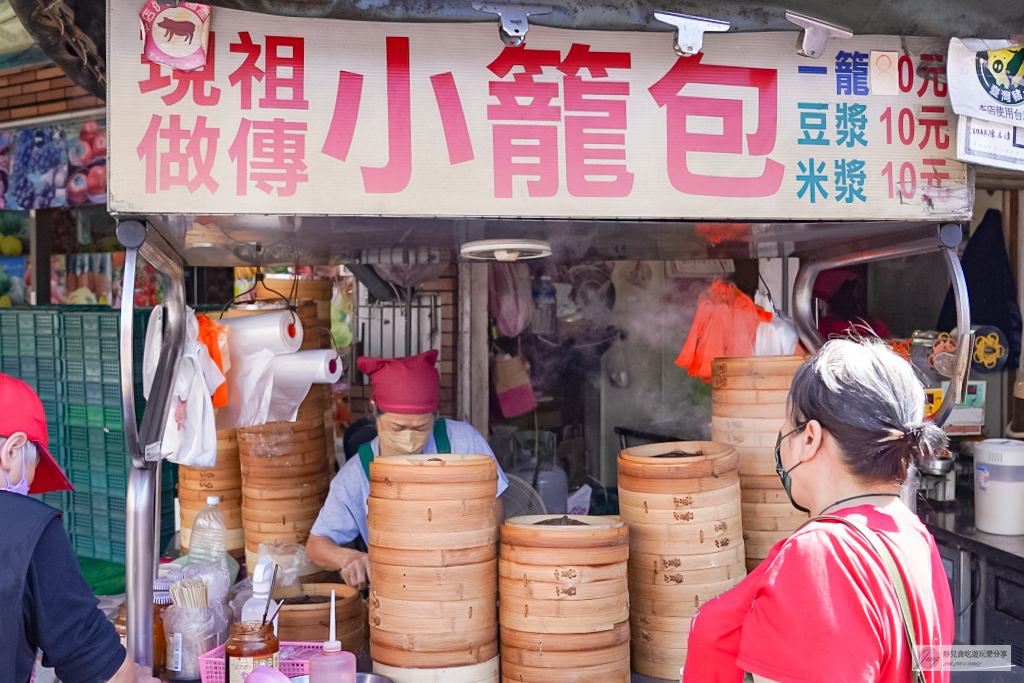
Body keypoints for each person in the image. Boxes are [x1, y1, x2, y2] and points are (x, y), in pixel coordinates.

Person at [684, 339, 954, 683]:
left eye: (785, 429)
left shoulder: (821, 557)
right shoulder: (913, 535)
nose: (781, 442)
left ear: (809, 438)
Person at [0, 373, 158, 683]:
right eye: (31, 473)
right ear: (12, 450)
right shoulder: (28, 529)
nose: (28, 488)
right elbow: (101, 671)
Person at [307, 350, 509, 588]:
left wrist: (471, 550)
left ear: (434, 416)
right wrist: (348, 557)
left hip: (466, 587)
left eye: (421, 427)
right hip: (398, 595)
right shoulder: (357, 473)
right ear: (375, 411)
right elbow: (316, 544)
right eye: (398, 427)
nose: (410, 438)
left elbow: (494, 504)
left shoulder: (462, 442)